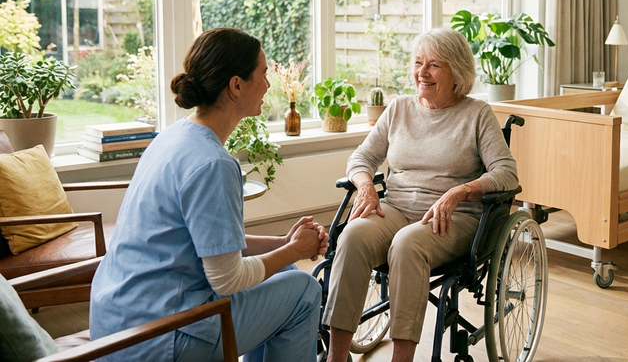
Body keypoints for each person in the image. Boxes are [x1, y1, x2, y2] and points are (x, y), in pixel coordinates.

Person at [90, 27, 328, 362]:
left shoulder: (172, 137)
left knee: (286, 274)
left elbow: (210, 242)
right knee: (305, 290)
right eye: (262, 74)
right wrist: (294, 251)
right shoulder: (214, 164)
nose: (268, 85)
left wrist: (282, 243)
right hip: (162, 336)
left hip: (116, 320)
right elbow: (228, 278)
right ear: (236, 85)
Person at [323, 28, 518, 362]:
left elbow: (506, 172)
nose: (421, 73)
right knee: (352, 235)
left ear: (457, 71)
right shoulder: (398, 108)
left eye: (434, 65)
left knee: (408, 243)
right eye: (418, 63)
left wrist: (461, 191)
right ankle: (336, 357)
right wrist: (366, 186)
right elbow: (361, 158)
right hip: (396, 207)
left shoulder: (477, 114)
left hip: (451, 218)